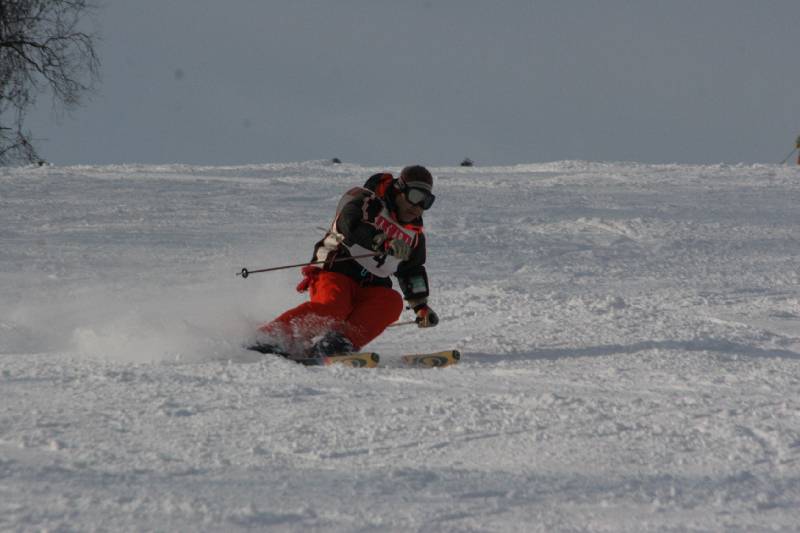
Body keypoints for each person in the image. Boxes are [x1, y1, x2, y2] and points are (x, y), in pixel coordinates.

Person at [250, 165, 440, 359]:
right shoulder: (368, 201)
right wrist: (381, 240)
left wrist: (420, 306)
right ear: (399, 189)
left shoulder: (414, 236)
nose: (418, 207)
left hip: (372, 284)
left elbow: (412, 270)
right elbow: (349, 223)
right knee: (333, 308)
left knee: (391, 302)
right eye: (415, 196)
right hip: (337, 269)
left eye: (426, 202)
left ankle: (337, 343)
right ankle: (272, 336)